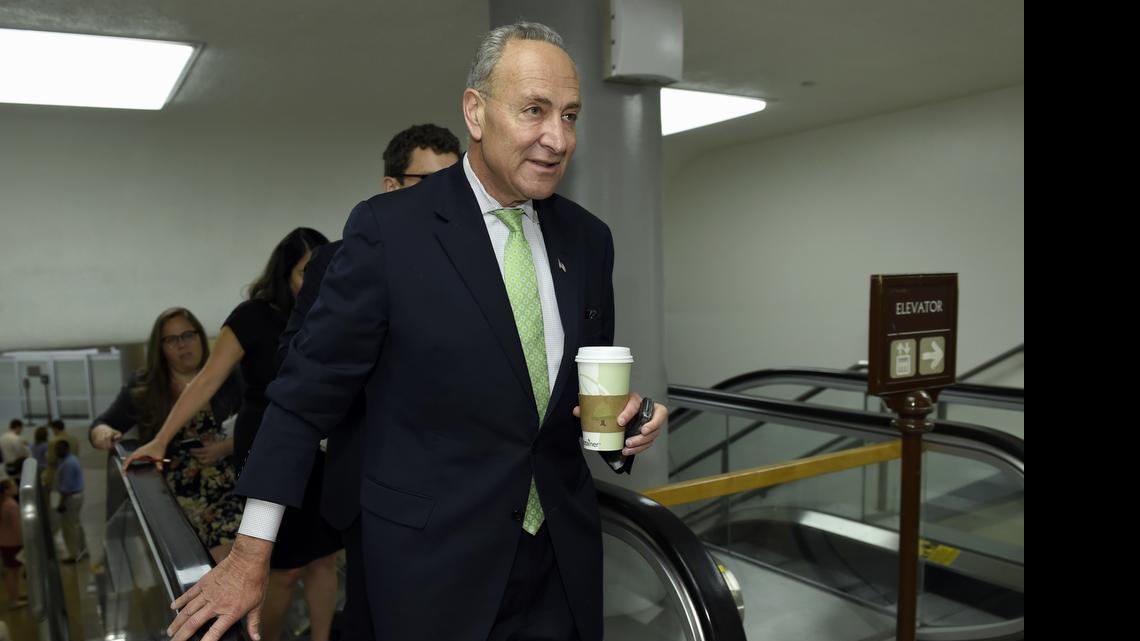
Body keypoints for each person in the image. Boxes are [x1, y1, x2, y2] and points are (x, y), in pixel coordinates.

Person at [166, 22, 667, 641]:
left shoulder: (589, 240)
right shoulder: (389, 231)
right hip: (433, 568)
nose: (557, 138)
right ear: (475, 112)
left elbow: (575, 396)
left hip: (559, 565)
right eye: (534, 110)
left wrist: (624, 428)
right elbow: (303, 397)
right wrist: (250, 554)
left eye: (569, 116)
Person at [275, 123, 460, 641]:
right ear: (391, 187)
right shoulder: (337, 260)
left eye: (457, 184)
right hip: (373, 484)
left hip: (462, 486)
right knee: (377, 619)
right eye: (429, 183)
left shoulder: (482, 265)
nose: (447, 198)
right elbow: (294, 362)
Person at [125, 228, 340, 641]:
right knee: (283, 568)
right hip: (268, 446)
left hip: (319, 450)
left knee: (324, 559)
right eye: (304, 271)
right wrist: (161, 439)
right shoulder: (252, 317)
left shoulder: (333, 311)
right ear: (283, 274)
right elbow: (206, 380)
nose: (315, 280)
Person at [90, 307, 244, 562]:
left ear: (200, 336)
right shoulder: (145, 386)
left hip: (229, 487)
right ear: (160, 348)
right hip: (173, 496)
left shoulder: (229, 377)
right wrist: (106, 434)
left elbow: (260, 425)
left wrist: (227, 446)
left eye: (188, 335)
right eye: (171, 340)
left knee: (235, 562)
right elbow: (100, 425)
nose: (182, 345)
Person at [53, 440, 88, 563]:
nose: (57, 452)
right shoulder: (72, 459)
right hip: (77, 495)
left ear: (66, 449)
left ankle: (74, 555)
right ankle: (83, 550)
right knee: (76, 524)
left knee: (69, 527)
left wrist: (61, 503)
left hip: (70, 498)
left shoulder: (68, 464)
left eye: (59, 449)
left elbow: (66, 488)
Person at [0, 479, 23, 609]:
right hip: (13, 542)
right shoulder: (11, 505)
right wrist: (23, 540)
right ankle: (14, 600)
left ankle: (15, 595)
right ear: (6, 490)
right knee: (13, 572)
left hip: (5, 542)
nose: (16, 487)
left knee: (12, 571)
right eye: (13, 486)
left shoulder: (3, 504)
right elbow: (17, 526)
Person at [42, 419, 80, 490]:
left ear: (55, 429)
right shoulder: (74, 440)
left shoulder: (53, 442)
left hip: (58, 473)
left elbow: (51, 460)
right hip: (73, 471)